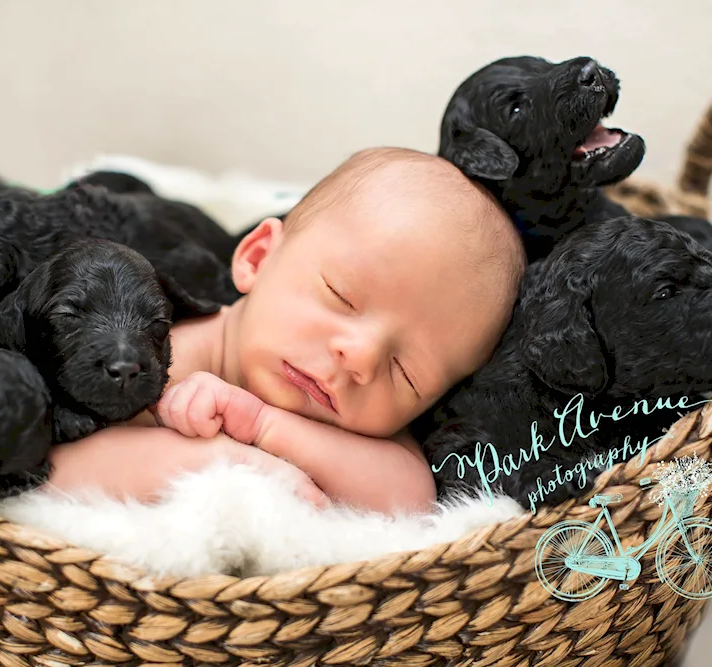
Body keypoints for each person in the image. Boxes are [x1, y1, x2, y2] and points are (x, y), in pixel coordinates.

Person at [46, 147, 525, 516]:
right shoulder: (167, 351)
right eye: (342, 296)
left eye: (408, 373)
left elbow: (411, 497)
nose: (360, 358)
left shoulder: (357, 429)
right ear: (257, 258)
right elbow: (54, 465)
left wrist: (264, 426)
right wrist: (228, 462)